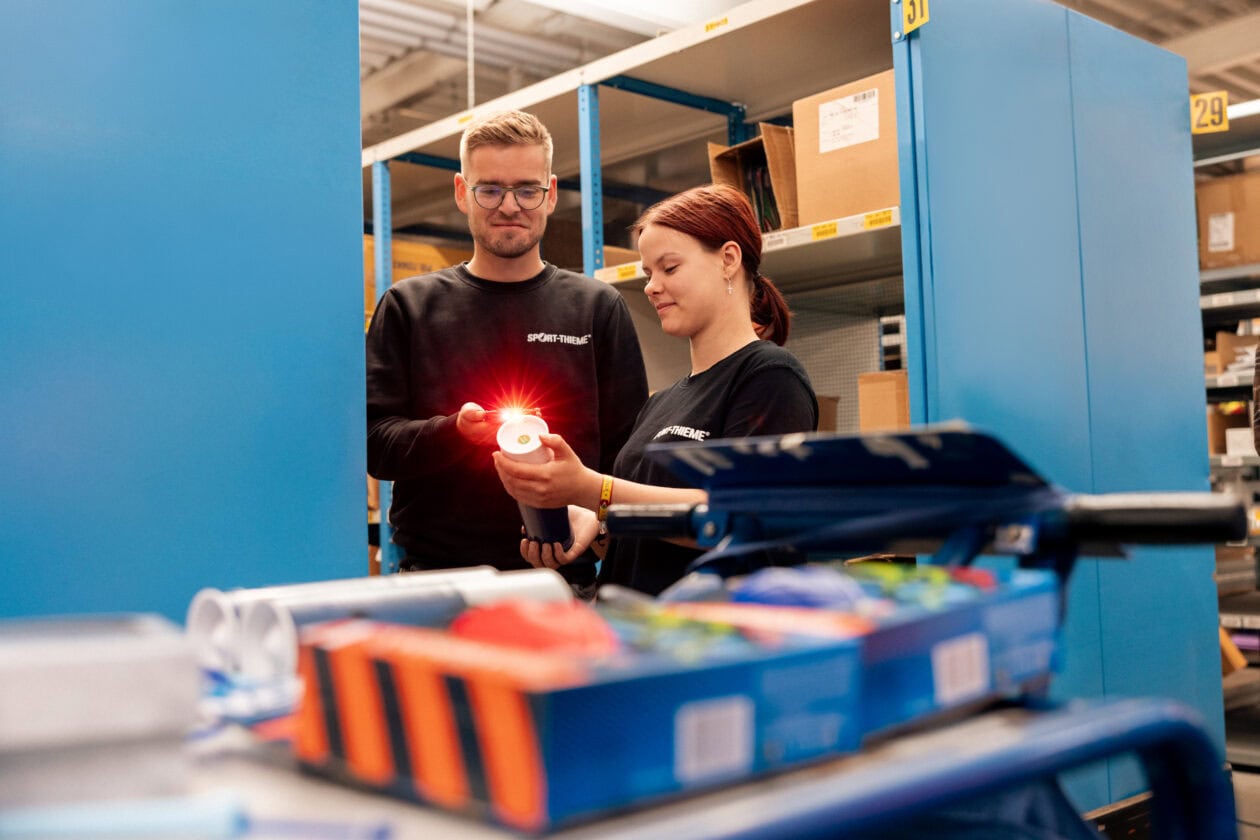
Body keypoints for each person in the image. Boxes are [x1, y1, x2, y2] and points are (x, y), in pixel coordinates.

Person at [366, 110, 648, 591]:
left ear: (551, 193)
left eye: (527, 189)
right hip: (438, 582)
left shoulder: (596, 308)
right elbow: (375, 445)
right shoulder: (409, 307)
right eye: (490, 189)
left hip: (562, 583)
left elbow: (631, 454)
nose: (510, 205)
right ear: (461, 192)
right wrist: (456, 432)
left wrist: (595, 520)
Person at [493, 183, 818, 595]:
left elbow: (739, 517)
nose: (651, 286)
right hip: (635, 633)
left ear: (728, 260)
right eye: (648, 273)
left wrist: (594, 489)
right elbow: (645, 539)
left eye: (670, 268)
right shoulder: (662, 403)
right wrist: (592, 524)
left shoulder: (770, 376)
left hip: (707, 640)